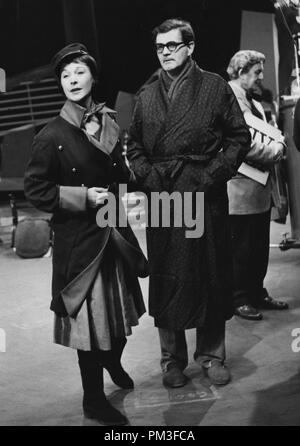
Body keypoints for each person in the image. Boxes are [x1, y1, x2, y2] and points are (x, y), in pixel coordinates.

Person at [24, 43, 148, 426]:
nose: (72, 80)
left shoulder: (108, 121)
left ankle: (113, 360)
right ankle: (93, 399)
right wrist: (81, 197)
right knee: (90, 329)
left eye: (79, 72)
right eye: (65, 75)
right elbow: (36, 189)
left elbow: (121, 172)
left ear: (93, 77)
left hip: (114, 234)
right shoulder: (51, 135)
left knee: (122, 316)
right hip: (81, 245)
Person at [127, 18, 251, 388]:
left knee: (210, 272)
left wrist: (212, 174)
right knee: (169, 277)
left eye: (172, 45)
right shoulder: (147, 95)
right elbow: (134, 146)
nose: (165, 52)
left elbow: (239, 137)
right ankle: (171, 361)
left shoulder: (214, 87)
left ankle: (211, 355)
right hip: (164, 195)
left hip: (202, 192)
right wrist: (148, 177)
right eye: (160, 47)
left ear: (190, 47)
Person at [227, 50, 289, 321]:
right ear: (241, 71)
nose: (261, 77)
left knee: (258, 247)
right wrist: (276, 151)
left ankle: (256, 292)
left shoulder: (251, 100)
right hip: (240, 190)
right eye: (257, 72)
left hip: (258, 190)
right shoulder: (229, 98)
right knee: (241, 249)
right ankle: (239, 298)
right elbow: (243, 143)